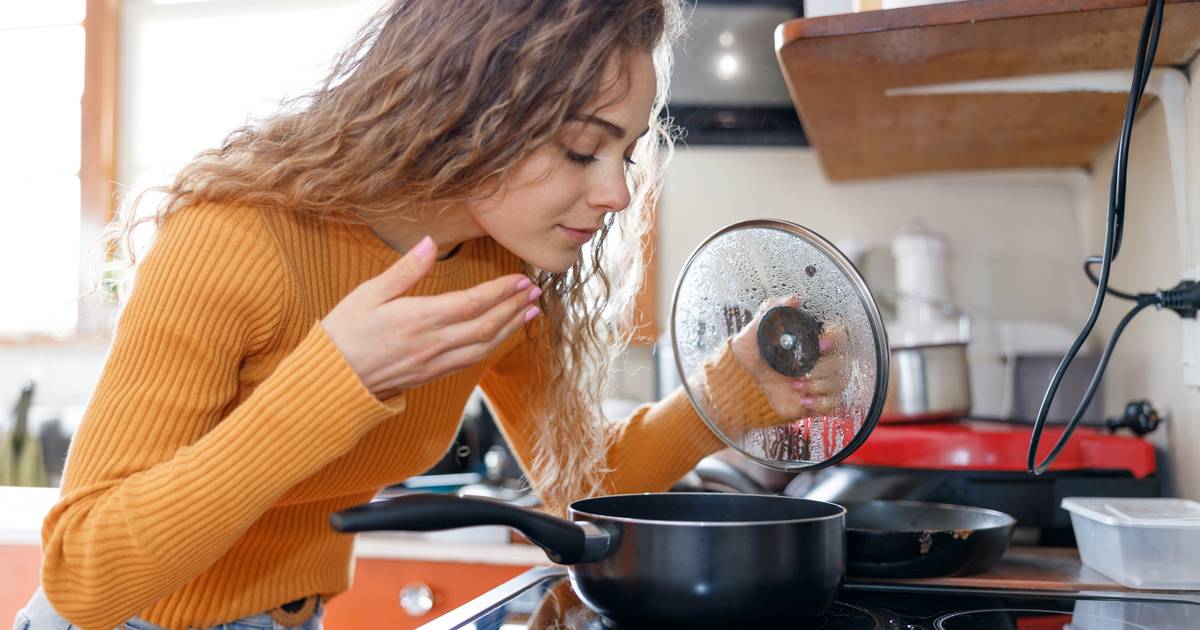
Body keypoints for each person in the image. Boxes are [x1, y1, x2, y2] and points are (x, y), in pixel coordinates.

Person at [13, 2, 843, 629]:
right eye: (580, 148)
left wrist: (726, 392)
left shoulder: (497, 259)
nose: (617, 193)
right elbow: (84, 572)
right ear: (468, 107)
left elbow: (584, 487)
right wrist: (332, 383)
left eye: (624, 154)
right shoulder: (236, 240)